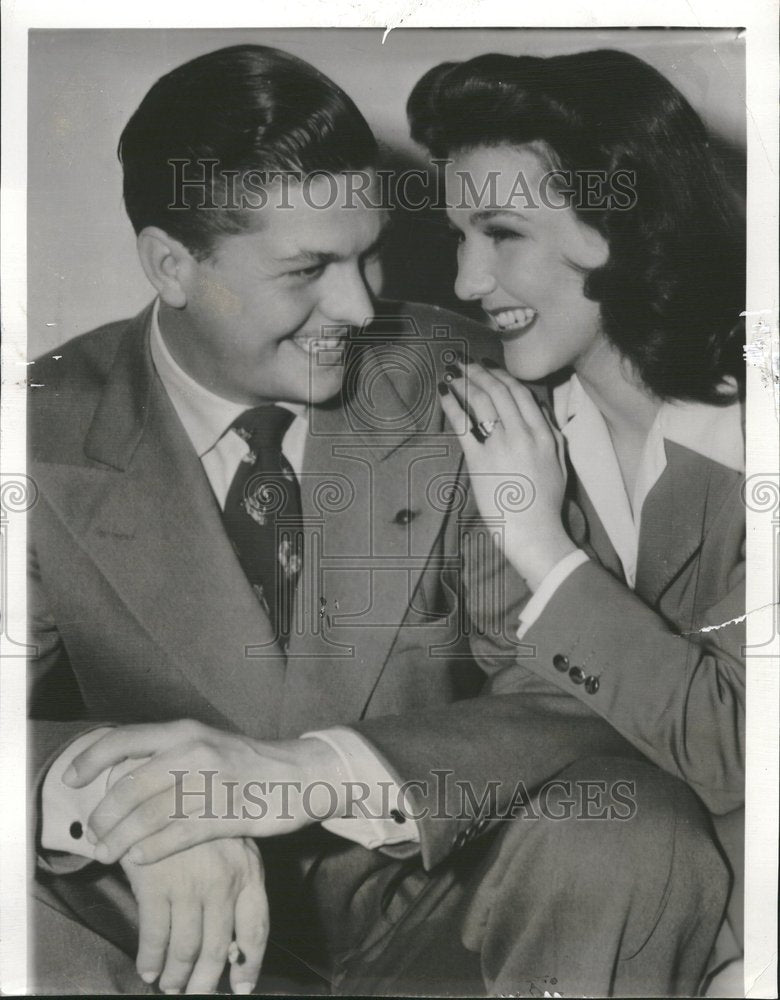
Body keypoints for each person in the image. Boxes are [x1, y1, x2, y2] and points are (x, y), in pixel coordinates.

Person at [30, 44, 726, 998]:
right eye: (308, 269)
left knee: (633, 828)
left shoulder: (463, 384)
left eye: (368, 255)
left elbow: (576, 704)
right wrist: (132, 803)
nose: (358, 307)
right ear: (171, 265)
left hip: (431, 923)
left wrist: (304, 773)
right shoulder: (34, 428)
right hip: (152, 936)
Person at [409, 47, 745, 991]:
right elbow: (530, 699)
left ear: (621, 226)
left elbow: (741, 744)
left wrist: (539, 544)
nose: (469, 280)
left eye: (503, 232)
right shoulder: (526, 422)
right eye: (458, 236)